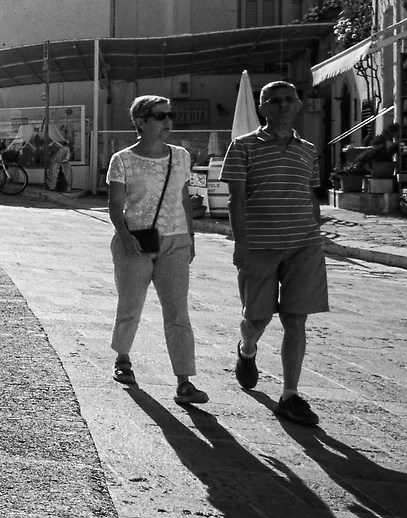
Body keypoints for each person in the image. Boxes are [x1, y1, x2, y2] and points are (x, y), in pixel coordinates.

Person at [223, 79, 327, 427]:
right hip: (259, 245)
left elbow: (310, 193)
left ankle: (290, 395)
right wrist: (240, 244)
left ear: (298, 104)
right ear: (263, 107)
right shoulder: (243, 147)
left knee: (296, 320)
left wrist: (318, 228)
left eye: (288, 99)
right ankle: (247, 349)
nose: (283, 106)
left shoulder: (307, 149)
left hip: (304, 245)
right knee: (258, 319)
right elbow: (237, 199)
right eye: (274, 101)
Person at [106, 96, 206, 407]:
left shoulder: (180, 156)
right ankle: (122, 357)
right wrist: (124, 236)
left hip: (175, 241)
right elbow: (114, 204)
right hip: (135, 241)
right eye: (160, 116)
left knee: (178, 311)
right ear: (140, 122)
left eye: (170, 115)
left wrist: (190, 237)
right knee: (131, 304)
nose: (168, 122)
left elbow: (184, 198)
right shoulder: (122, 160)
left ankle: (184, 381)